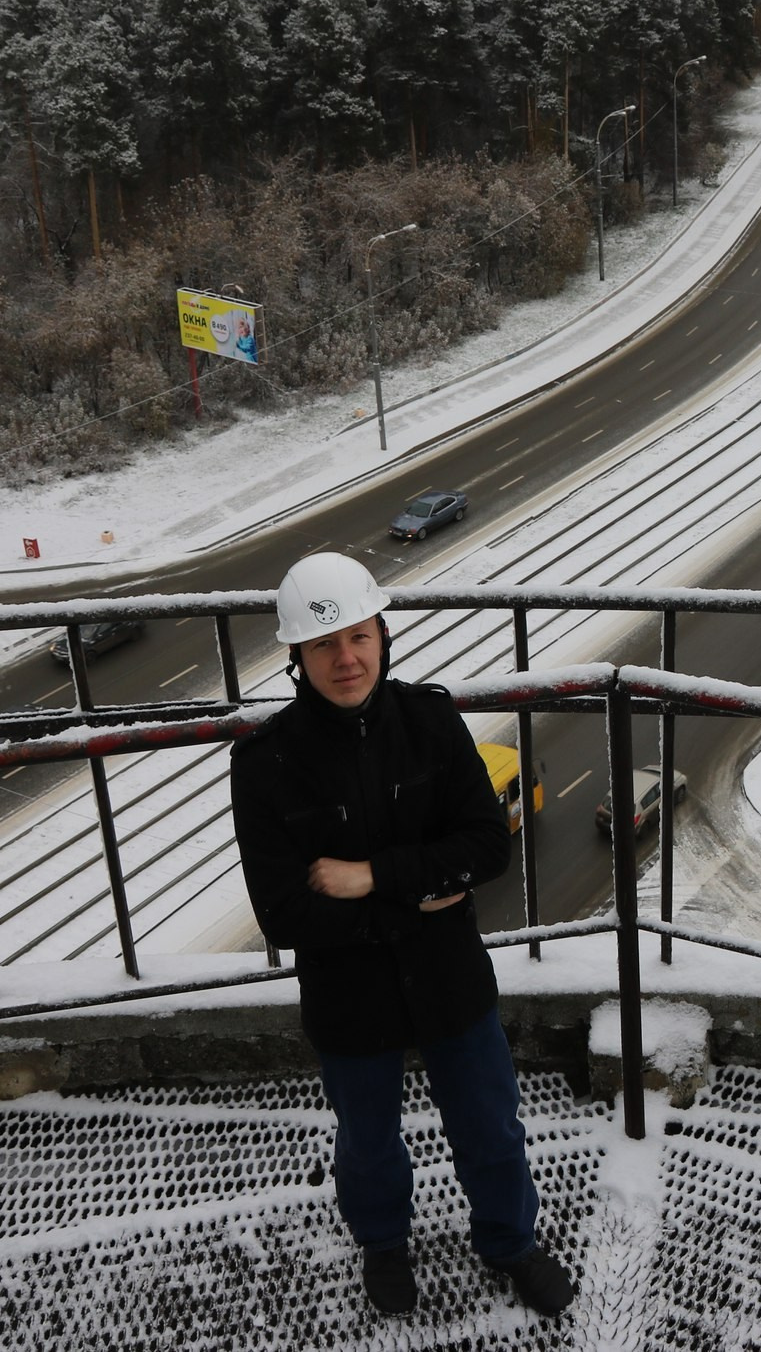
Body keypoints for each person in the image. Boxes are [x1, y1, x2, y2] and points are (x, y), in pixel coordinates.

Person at [229, 552, 574, 1320]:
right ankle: (382, 1241)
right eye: (324, 644)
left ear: (383, 633)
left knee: (489, 1122)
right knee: (368, 1140)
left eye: (359, 636)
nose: (346, 658)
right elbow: (284, 913)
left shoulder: (430, 721)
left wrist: (368, 876)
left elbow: (486, 845)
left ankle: (511, 1240)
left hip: (447, 974)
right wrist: (412, 896)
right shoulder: (264, 765)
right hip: (350, 995)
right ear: (297, 654)